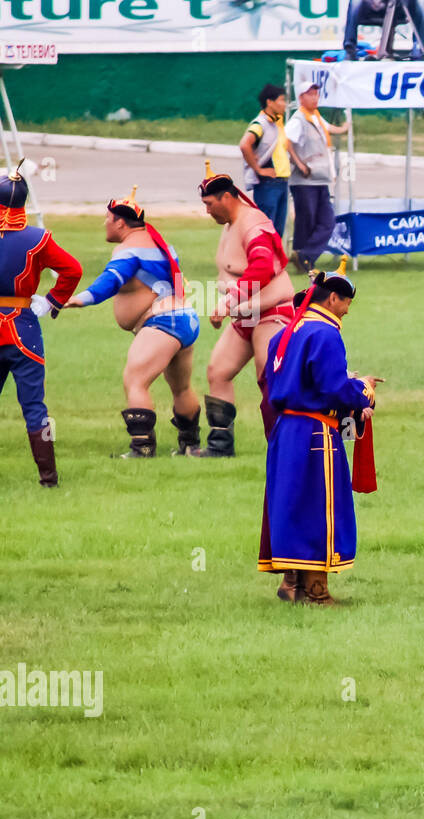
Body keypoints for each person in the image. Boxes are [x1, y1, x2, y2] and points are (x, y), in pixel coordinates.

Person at [260, 262, 379, 605]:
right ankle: (317, 593)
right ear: (332, 300)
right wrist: (363, 391)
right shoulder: (326, 333)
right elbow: (333, 389)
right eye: (345, 303)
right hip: (316, 432)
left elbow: (279, 385)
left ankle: (291, 583)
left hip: (286, 432)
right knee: (319, 509)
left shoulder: (284, 334)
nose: (346, 309)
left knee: (292, 505)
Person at [62, 187, 202, 457]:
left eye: (108, 218)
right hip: (184, 318)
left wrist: (82, 299)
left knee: (135, 380)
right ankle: (190, 445)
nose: (105, 223)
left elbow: (111, 280)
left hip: (162, 323)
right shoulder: (160, 243)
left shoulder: (129, 250)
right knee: (181, 387)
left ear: (121, 222)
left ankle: (142, 448)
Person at [199, 161, 296, 456]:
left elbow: (263, 267)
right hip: (246, 313)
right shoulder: (231, 224)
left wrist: (229, 301)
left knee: (268, 378)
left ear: (227, 197)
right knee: (218, 371)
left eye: (209, 204)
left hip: (271, 311)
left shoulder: (253, 224)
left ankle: (283, 447)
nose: (207, 211)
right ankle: (220, 446)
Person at [0, 168, 82, 487]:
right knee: (35, 406)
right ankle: (49, 478)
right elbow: (72, 270)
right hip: (24, 330)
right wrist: (51, 301)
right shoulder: (39, 239)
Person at [286, 82, 349, 273]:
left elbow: (332, 129)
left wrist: (346, 124)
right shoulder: (298, 120)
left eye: (316, 94)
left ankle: (304, 255)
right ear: (301, 98)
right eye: (310, 94)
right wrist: (299, 163)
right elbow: (286, 142)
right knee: (308, 220)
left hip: (320, 178)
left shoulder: (316, 117)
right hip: (305, 180)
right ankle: (305, 260)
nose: (315, 97)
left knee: (327, 221)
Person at [240, 84, 292, 238]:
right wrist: (259, 169)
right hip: (268, 184)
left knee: (278, 232)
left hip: (282, 182)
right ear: (270, 102)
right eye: (282, 100)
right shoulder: (260, 124)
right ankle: (263, 261)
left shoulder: (277, 122)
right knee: (266, 231)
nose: (285, 104)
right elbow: (244, 144)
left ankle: (274, 262)